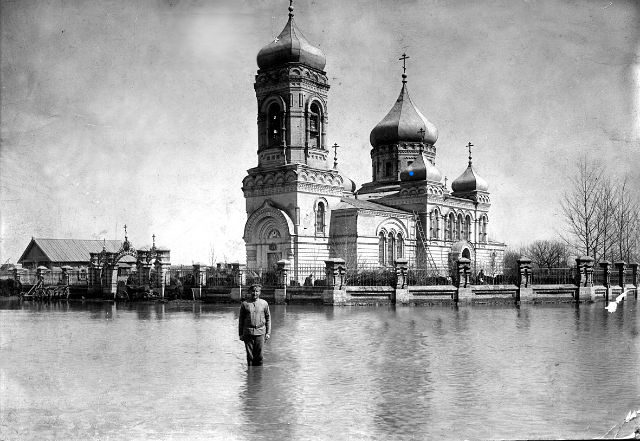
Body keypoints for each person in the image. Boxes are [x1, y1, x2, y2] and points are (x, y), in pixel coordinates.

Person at [238, 284, 271, 366]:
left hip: (260, 333)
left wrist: (268, 333)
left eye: (257, 291)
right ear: (250, 292)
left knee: (259, 356)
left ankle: (258, 375)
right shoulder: (245, 304)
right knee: (250, 356)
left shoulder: (264, 303)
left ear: (260, 292)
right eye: (253, 291)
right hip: (248, 333)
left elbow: (268, 318)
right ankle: (250, 375)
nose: (255, 293)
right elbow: (241, 320)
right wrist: (240, 334)